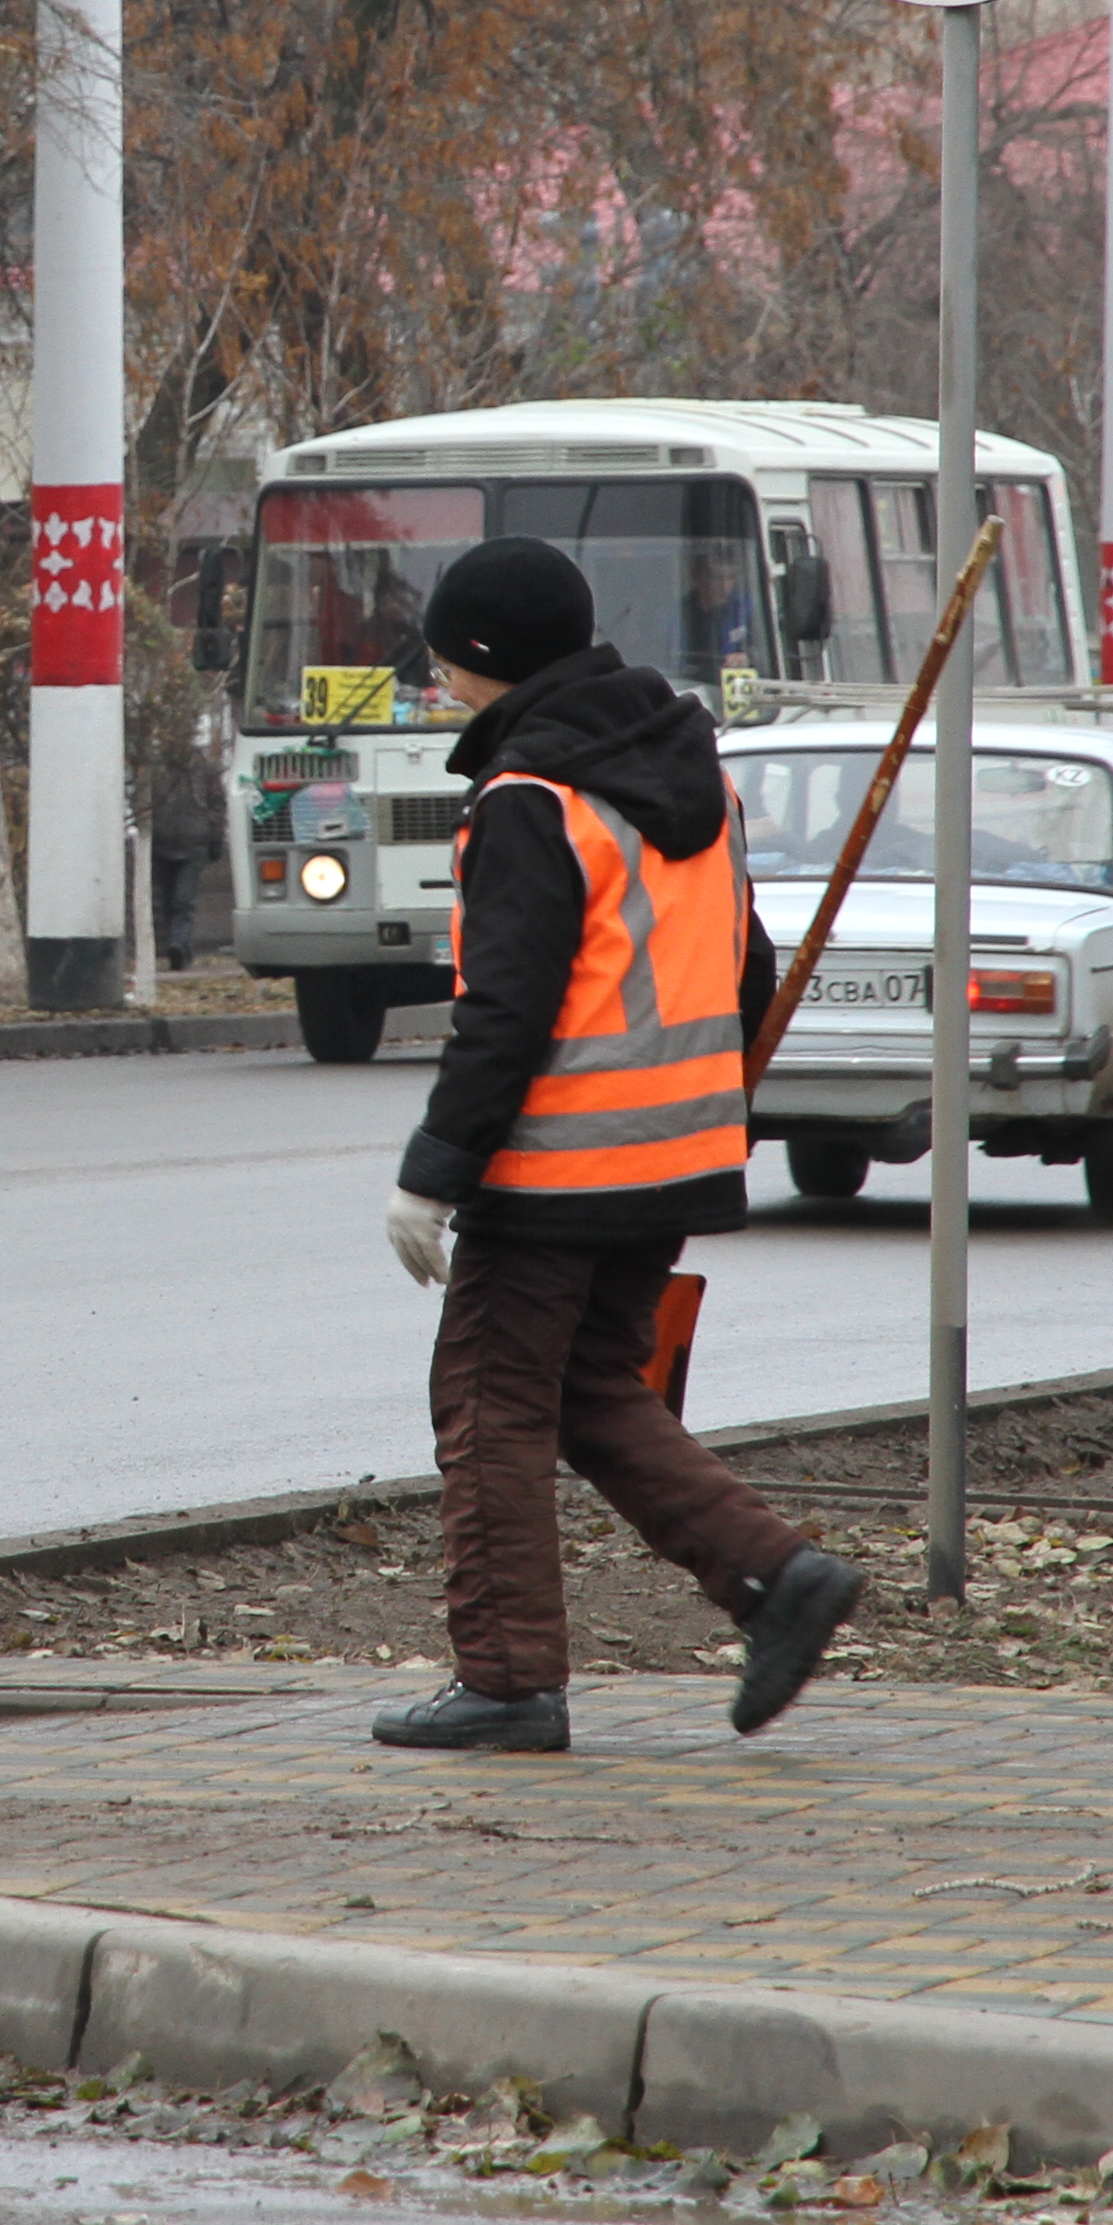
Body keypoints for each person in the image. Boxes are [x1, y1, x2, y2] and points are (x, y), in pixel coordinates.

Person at [372, 534, 864, 1753]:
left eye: (445, 661)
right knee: (589, 1387)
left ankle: (505, 1684)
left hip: (558, 1168)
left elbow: (508, 1010)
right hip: (679, 1159)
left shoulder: (530, 801)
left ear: (486, 659)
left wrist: (431, 1176)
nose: (438, 682)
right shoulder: (697, 775)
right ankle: (776, 1577)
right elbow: (744, 966)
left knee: (486, 1402)